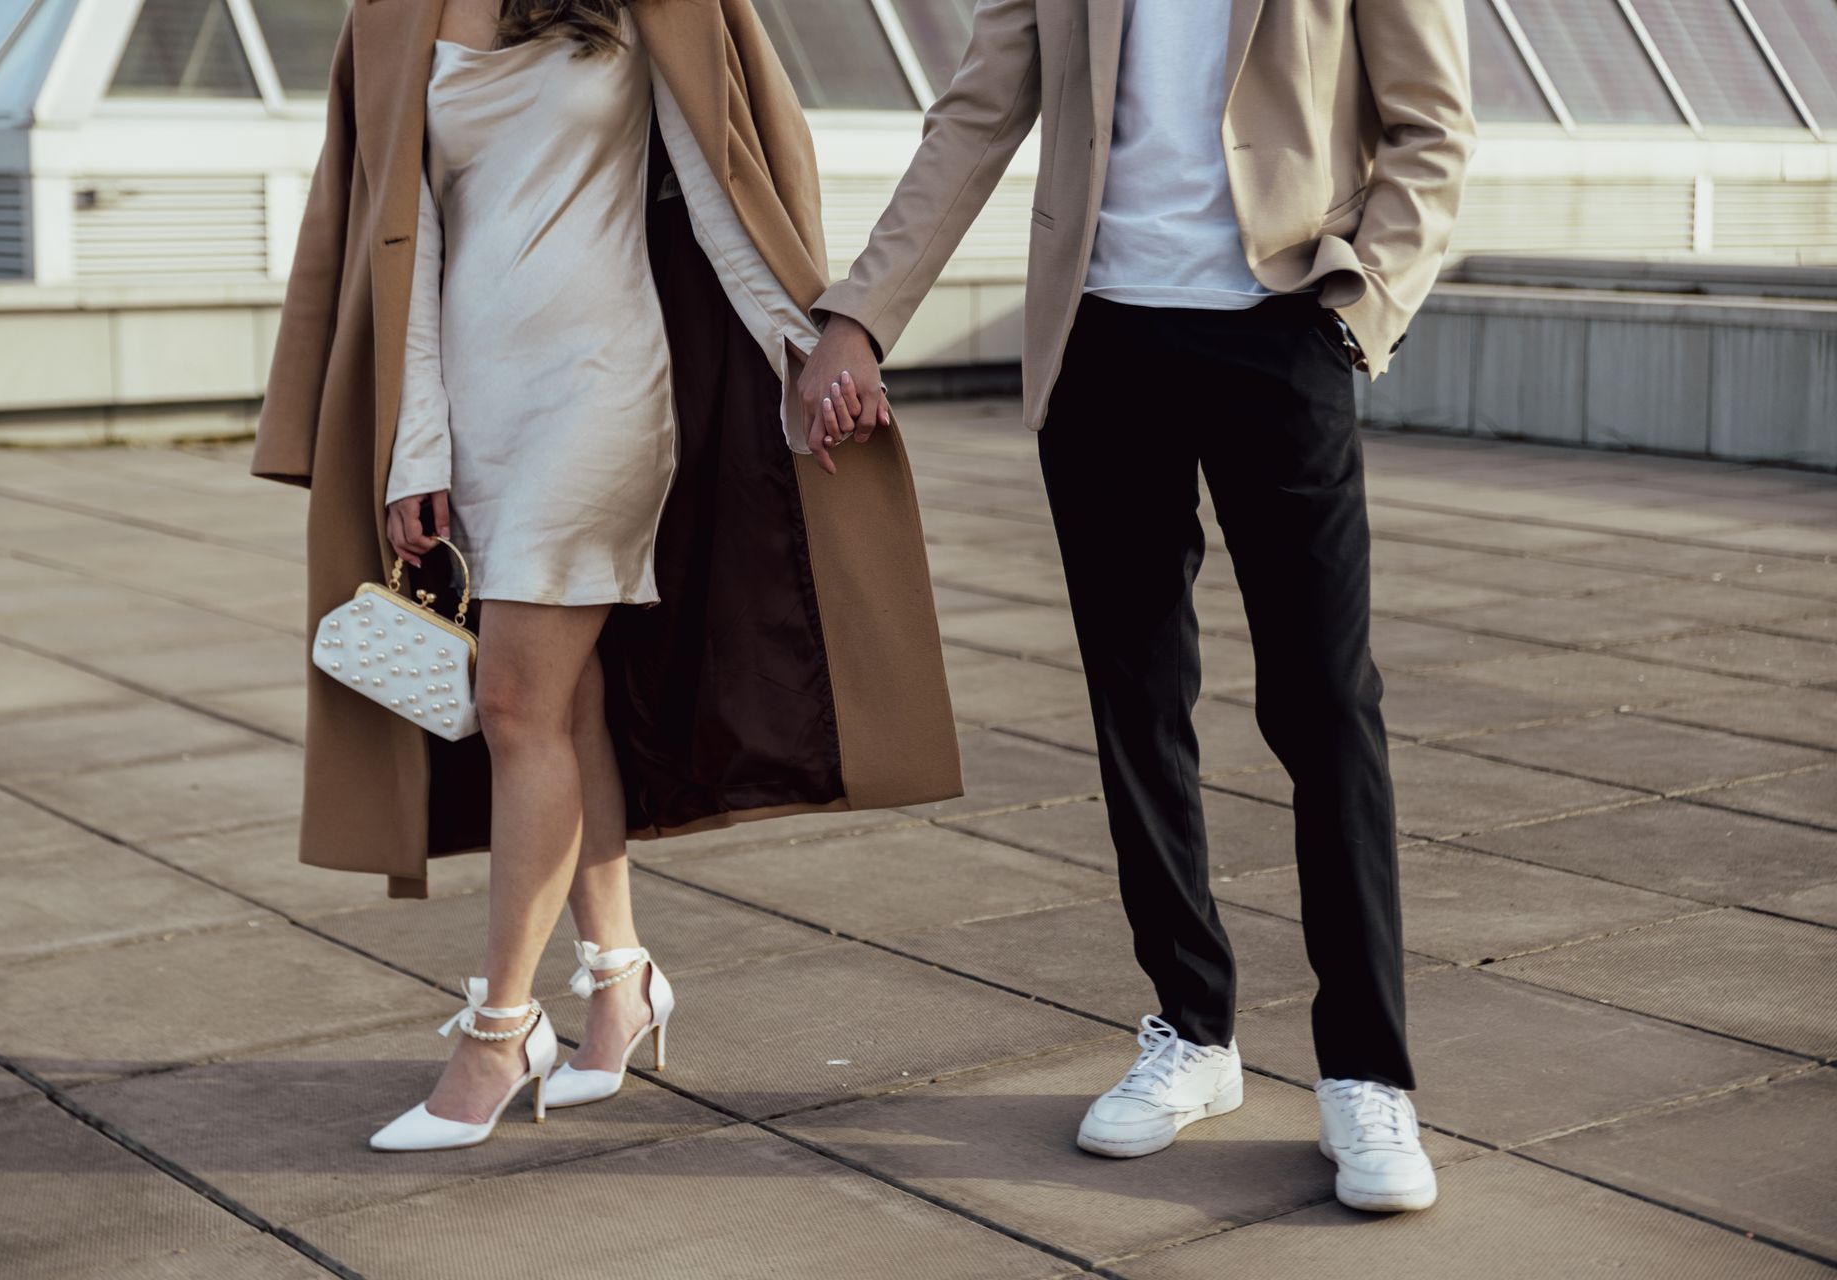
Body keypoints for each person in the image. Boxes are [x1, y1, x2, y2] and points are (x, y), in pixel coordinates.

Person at [799, 0, 1474, 1212]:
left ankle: (1367, 1071)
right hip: (1103, 343)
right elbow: (977, 113)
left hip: (1284, 331)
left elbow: (1432, 126)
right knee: (1137, 702)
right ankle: (1193, 1029)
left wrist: (1360, 310)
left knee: (1326, 707)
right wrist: (861, 314)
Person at [251, 0, 961, 1153]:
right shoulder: (393, 16)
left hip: (601, 392)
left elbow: (726, 188)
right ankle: (621, 981)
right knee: (566, 702)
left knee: (513, 704)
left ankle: (497, 1029)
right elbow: (406, 237)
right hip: (475, 401)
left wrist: (810, 346)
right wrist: (416, 446)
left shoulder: (644, 5)